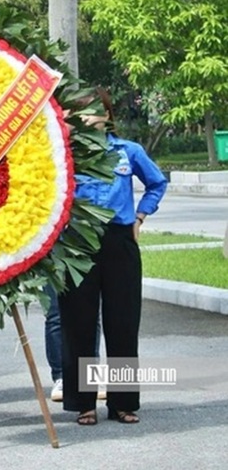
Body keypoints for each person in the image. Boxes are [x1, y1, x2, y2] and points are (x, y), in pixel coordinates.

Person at [59, 90, 167, 426]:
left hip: (119, 241)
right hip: (78, 243)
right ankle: (83, 403)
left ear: (108, 115)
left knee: (122, 322)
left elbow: (156, 183)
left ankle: (123, 402)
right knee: (78, 324)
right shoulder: (65, 154)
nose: (90, 117)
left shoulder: (128, 151)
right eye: (83, 112)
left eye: (96, 110)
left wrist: (140, 216)